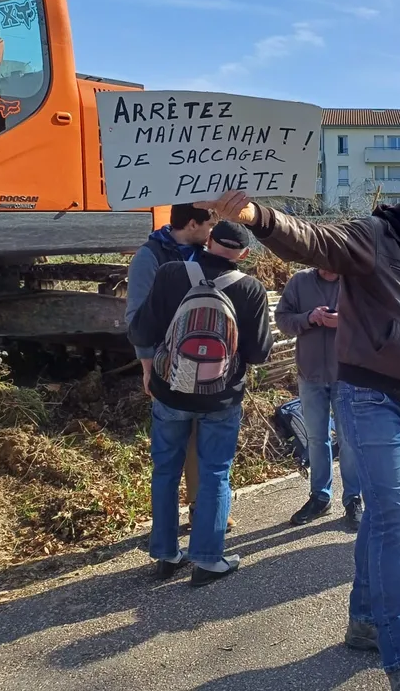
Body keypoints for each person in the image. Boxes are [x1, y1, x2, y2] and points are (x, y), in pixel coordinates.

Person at [199, 172, 400, 691]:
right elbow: (313, 239)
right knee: (396, 519)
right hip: (371, 398)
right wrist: (255, 216)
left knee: (379, 520)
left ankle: (367, 622)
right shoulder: (373, 236)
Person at [129, 221, 274, 586]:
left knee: (165, 470)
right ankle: (208, 559)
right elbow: (258, 354)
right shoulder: (251, 289)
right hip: (220, 397)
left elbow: (142, 331)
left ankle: (164, 553)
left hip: (170, 390)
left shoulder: (171, 272)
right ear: (244, 254)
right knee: (214, 473)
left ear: (207, 242)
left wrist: (152, 366)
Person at [125, 204, 216, 529]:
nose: (213, 229)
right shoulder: (149, 257)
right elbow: (136, 315)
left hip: (202, 359)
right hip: (166, 361)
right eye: (210, 222)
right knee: (168, 448)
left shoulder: (205, 252)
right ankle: (164, 527)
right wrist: (147, 366)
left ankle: (198, 509)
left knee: (199, 438)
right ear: (192, 223)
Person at [274, 267, 363, 530]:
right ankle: (320, 497)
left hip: (346, 374)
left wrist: (345, 320)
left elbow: (374, 322)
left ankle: (353, 498)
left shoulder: (356, 282)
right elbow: (282, 319)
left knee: (348, 439)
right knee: (315, 438)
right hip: (310, 373)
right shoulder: (300, 281)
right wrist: (309, 318)